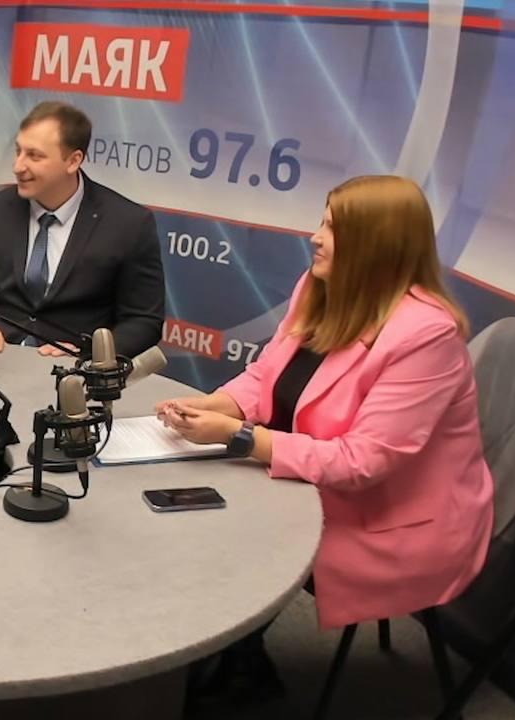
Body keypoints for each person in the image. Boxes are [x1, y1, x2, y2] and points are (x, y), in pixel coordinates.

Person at [159, 174, 494, 630]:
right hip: (312, 486)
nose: (316, 238)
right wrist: (215, 406)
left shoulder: (426, 335)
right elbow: (267, 376)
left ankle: (236, 659)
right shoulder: (318, 286)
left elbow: (364, 461)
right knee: (193, 511)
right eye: (322, 222)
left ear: (376, 245)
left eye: (333, 229)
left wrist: (241, 438)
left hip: (392, 522)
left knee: (231, 538)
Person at [0, 101, 165, 358]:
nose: (18, 166)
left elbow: (144, 321)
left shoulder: (128, 224)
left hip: (75, 372)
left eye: (34, 156)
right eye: (18, 151)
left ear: (73, 161)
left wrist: (89, 354)